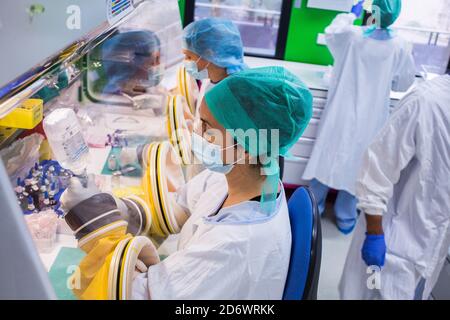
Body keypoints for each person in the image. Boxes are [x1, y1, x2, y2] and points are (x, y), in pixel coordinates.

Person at [60, 66, 313, 299]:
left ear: (246, 148)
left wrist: (96, 227)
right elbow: (179, 205)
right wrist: (116, 208)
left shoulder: (234, 245)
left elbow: (136, 295)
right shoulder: (241, 179)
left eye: (206, 127)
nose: (195, 133)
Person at [302, 0, 416, 234]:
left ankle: (314, 209)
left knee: (327, 155)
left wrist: (349, 14)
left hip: (341, 111)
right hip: (372, 117)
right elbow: (404, 81)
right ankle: (345, 215)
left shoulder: (353, 36)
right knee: (359, 164)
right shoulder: (401, 45)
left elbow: (332, 33)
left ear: (370, 11)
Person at [339, 74, 450, 300]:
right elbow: (376, 171)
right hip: (390, 246)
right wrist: (375, 235)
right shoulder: (425, 102)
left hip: (431, 247)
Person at [182, 18, 247, 113]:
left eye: (189, 56)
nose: (185, 61)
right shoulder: (213, 78)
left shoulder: (234, 94)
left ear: (209, 54)